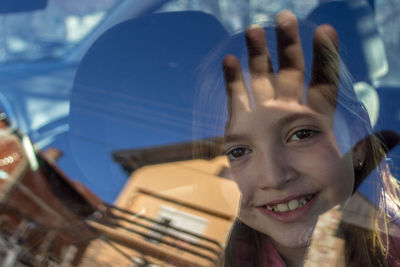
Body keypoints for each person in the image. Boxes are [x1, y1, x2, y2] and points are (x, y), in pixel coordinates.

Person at [213, 10, 400, 266]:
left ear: (357, 141)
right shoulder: (215, 249)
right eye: (238, 151)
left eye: (301, 134)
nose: (273, 177)